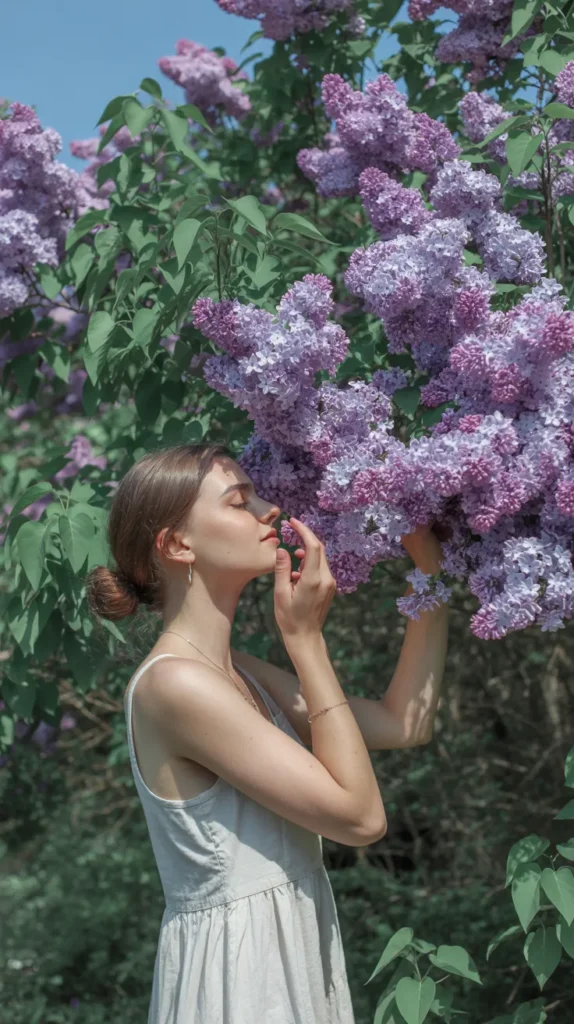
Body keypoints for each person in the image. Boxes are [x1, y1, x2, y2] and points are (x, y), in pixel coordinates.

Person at [86, 441, 428, 1024]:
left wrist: (432, 577)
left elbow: (404, 721)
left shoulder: (233, 670)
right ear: (177, 544)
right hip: (241, 977)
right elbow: (361, 818)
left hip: (281, 950)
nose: (269, 509)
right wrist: (305, 642)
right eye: (240, 501)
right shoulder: (176, 687)